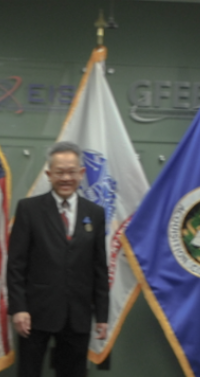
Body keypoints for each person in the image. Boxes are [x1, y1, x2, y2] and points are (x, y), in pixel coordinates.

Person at [7, 141, 109, 377]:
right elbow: (16, 265)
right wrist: (19, 308)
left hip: (78, 315)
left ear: (81, 174)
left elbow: (99, 267)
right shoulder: (28, 209)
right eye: (59, 172)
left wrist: (102, 315)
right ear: (48, 174)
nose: (66, 178)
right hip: (35, 314)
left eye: (71, 172)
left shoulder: (95, 213)